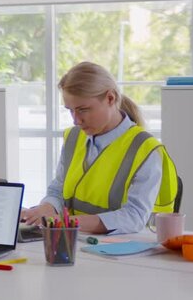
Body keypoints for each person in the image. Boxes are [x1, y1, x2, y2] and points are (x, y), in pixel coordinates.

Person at [21, 62, 178, 234]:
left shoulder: (145, 149)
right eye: (70, 110)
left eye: (83, 110)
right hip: (72, 241)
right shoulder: (73, 137)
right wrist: (46, 208)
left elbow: (134, 216)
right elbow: (58, 189)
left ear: (110, 98)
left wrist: (65, 222)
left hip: (120, 248)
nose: (76, 120)